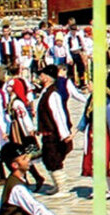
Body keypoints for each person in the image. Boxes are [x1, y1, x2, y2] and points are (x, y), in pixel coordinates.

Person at [36, 63, 85, 195]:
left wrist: (64, 134)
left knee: (54, 159)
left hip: (54, 133)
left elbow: (58, 115)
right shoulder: (45, 92)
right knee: (48, 158)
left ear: (46, 77)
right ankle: (57, 185)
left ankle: (62, 189)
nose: (39, 77)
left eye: (41, 75)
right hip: (47, 132)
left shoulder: (53, 94)